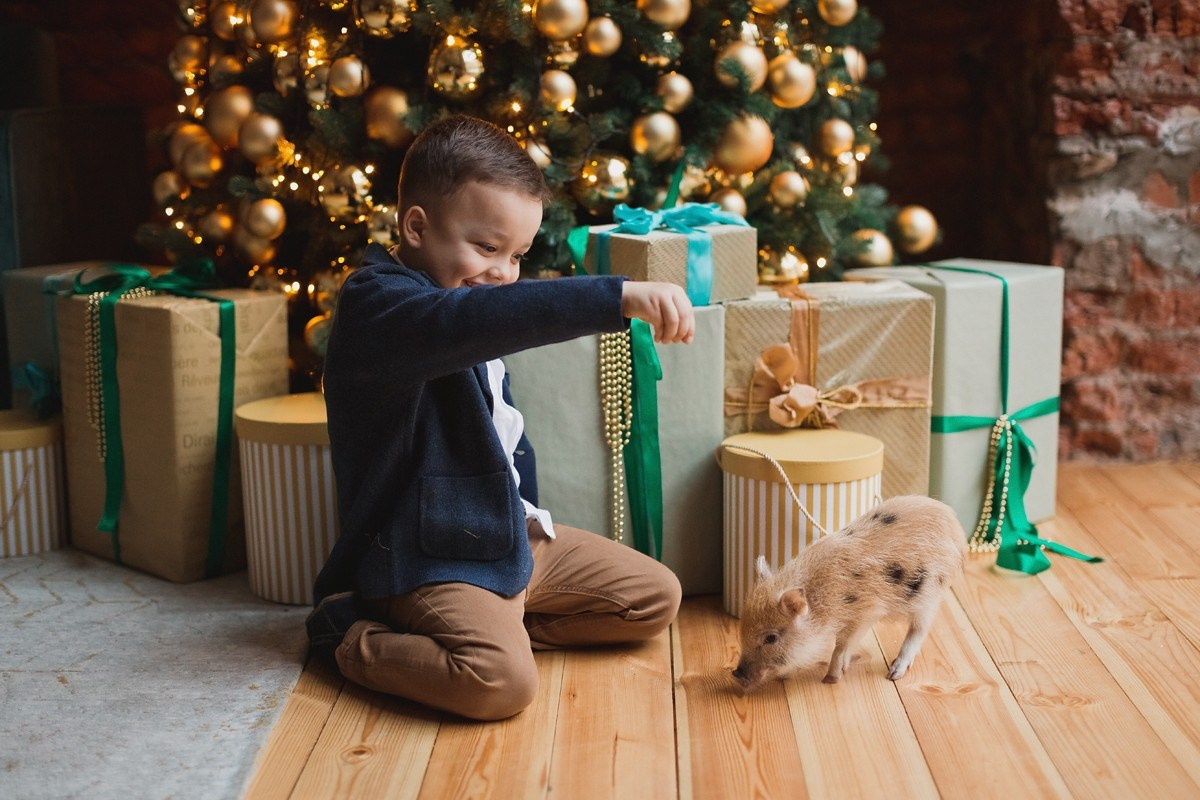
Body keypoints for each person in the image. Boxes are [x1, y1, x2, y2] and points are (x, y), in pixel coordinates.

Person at [306, 114, 693, 721]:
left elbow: (505, 440)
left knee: (656, 598)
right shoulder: (378, 305)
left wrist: (527, 524)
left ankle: (499, 619)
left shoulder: (469, 299)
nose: (504, 274)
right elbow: (466, 323)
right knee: (501, 685)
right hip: (423, 554)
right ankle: (351, 635)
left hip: (505, 536)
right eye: (487, 248)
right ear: (416, 226)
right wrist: (614, 297)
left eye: (517, 255)